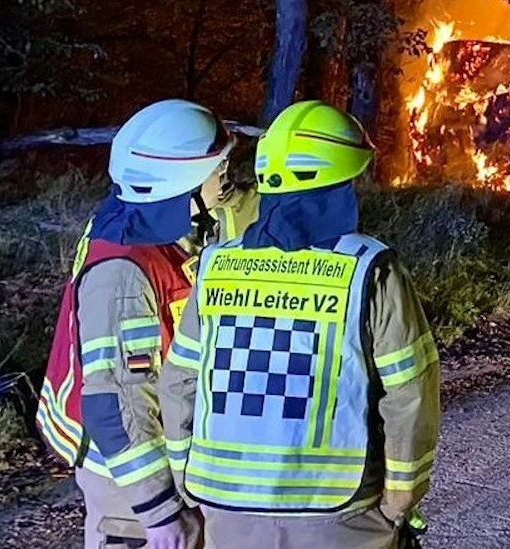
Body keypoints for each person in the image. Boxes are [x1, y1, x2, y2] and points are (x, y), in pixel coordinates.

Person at [161, 100, 440, 549]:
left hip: (226, 510)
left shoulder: (215, 266)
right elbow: (410, 392)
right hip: (339, 511)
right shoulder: (370, 270)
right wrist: (400, 499)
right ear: (339, 185)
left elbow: (179, 382)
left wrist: (186, 478)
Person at [37, 99, 235, 549]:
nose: (226, 175)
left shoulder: (147, 225)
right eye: (217, 168)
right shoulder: (125, 272)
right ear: (181, 184)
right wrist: (159, 510)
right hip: (130, 482)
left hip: (153, 463)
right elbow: (116, 401)